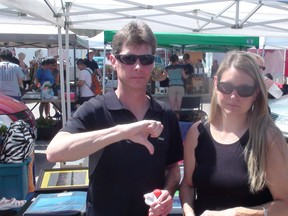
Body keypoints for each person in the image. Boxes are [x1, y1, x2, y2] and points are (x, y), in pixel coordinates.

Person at [46, 21, 183, 216]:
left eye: (145, 59)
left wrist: (168, 194)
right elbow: (54, 152)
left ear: (153, 63)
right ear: (113, 60)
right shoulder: (95, 109)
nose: (137, 66)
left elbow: (172, 168)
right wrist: (122, 131)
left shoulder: (164, 113)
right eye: (128, 58)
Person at [179, 51, 288, 216]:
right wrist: (189, 213)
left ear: (256, 93)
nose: (233, 96)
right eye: (227, 87)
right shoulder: (197, 133)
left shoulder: (268, 138)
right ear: (216, 84)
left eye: (244, 89)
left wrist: (240, 213)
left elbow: (285, 204)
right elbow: (187, 184)